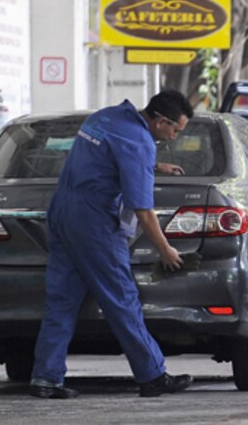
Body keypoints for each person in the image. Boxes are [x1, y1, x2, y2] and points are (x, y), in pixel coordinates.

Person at [29, 90, 196, 398]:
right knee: (122, 297)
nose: (174, 137)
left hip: (62, 212)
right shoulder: (140, 142)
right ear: (161, 121)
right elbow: (143, 210)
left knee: (62, 300)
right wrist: (165, 249)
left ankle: (46, 377)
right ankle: (152, 375)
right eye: (175, 130)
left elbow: (110, 153)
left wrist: (155, 166)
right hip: (93, 222)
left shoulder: (106, 117)